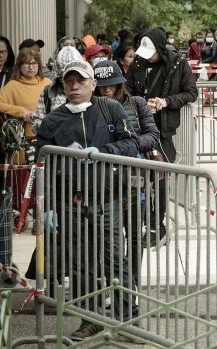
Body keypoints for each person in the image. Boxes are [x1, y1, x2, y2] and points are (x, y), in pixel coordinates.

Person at [35, 60, 138, 341]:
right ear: (63, 85)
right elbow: (42, 167)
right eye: (69, 82)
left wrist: (102, 151)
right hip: (71, 204)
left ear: (93, 84)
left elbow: (132, 144)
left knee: (116, 261)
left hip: (108, 200)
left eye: (81, 81)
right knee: (81, 265)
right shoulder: (52, 121)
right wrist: (47, 207)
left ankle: (128, 319)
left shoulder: (111, 109)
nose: (75, 86)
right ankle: (89, 320)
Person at [125, 29, 198, 240]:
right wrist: (139, 103)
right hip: (138, 127)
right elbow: (127, 89)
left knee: (161, 176)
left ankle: (158, 224)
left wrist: (165, 102)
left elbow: (191, 92)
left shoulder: (178, 63)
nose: (147, 57)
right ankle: (142, 221)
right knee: (138, 175)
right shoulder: (137, 63)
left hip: (163, 128)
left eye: (151, 53)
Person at [93, 60, 162, 281]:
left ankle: (132, 284)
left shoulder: (137, 103)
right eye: (102, 85)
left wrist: (126, 145)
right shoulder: (92, 107)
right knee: (107, 236)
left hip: (134, 176)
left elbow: (153, 135)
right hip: (103, 179)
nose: (107, 89)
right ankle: (111, 281)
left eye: (111, 85)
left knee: (133, 235)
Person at [0, 48, 50, 261]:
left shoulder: (47, 84)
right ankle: (21, 219)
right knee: (22, 185)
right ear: (19, 65)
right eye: (26, 63)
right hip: (22, 143)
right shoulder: (11, 86)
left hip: (44, 141)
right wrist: (21, 112)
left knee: (43, 184)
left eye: (34, 62)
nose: (30, 66)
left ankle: (40, 220)